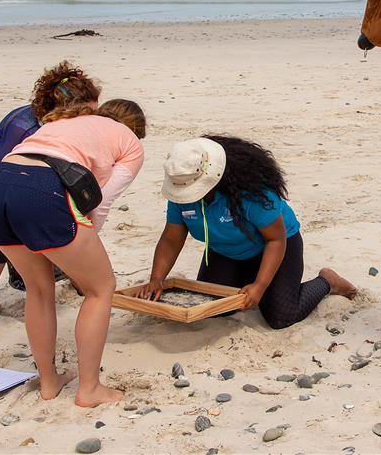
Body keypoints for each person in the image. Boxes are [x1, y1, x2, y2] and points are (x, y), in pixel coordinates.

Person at [0, 99, 146, 407]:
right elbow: (100, 202)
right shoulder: (131, 143)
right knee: (101, 288)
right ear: (137, 129)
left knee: (38, 288)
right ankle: (89, 389)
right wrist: (87, 249)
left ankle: (49, 382)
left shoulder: (68, 122)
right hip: (42, 189)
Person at [138, 135, 356, 329]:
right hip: (226, 252)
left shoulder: (252, 194)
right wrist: (157, 279)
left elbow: (275, 240)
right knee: (215, 309)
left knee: (281, 317)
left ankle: (327, 281)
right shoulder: (181, 192)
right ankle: (253, 280)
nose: (185, 193)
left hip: (276, 246)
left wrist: (260, 286)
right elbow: (171, 239)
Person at [0, 61, 101, 345]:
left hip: (25, 182)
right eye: (90, 112)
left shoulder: (63, 124)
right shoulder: (24, 125)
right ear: (71, 108)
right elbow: (7, 172)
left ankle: (84, 289)